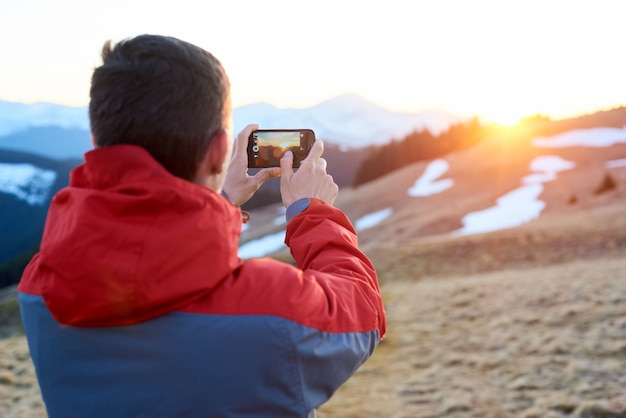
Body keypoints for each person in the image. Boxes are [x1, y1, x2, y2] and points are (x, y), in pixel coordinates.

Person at [18, 34, 386, 418]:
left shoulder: (39, 287)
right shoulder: (271, 311)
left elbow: (147, 262)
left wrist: (223, 199)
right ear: (218, 150)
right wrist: (312, 212)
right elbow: (362, 312)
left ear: (96, 138)